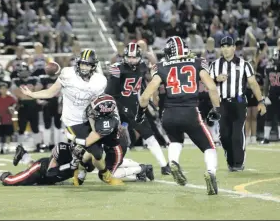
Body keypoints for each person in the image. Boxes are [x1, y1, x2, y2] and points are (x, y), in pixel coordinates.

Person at [20, 49, 121, 185]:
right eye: (82, 64)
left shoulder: (100, 80)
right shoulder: (68, 74)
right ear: (78, 63)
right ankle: (103, 174)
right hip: (73, 120)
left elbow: (100, 103)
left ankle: (80, 167)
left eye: (87, 65)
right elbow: (50, 92)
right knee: (96, 153)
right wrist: (33, 95)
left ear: (93, 66)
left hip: (90, 118)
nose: (84, 67)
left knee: (97, 152)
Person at [136, 36, 221, 195]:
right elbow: (212, 87)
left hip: (168, 114)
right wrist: (216, 109)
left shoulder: (160, 66)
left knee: (175, 140)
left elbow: (146, 96)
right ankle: (210, 172)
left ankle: (173, 162)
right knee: (209, 147)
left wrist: (141, 113)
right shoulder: (197, 63)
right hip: (190, 111)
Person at [105, 43, 170, 175]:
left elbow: (152, 75)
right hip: (117, 108)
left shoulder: (143, 66)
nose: (132, 60)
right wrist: (122, 109)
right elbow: (110, 94)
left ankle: (164, 165)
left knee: (148, 135)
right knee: (119, 140)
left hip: (134, 107)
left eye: (134, 58)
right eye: (129, 57)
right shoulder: (118, 69)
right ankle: (115, 164)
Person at [68, 94, 154, 184]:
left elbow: (88, 142)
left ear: (105, 112)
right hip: (109, 142)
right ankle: (82, 174)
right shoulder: (106, 115)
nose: (91, 111)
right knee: (90, 155)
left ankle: (142, 169)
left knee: (105, 176)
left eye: (95, 110)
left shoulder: (107, 123)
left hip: (116, 148)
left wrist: (73, 137)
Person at [209, 36, 266, 171]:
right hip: (222, 103)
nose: (225, 49)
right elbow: (208, 84)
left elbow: (253, 83)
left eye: (228, 46)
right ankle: (231, 160)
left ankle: (239, 163)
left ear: (234, 48)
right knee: (224, 135)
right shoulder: (215, 65)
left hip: (238, 102)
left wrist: (261, 101)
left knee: (236, 135)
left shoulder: (244, 64)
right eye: (223, 46)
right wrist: (216, 79)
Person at [0, 142, 87, 187]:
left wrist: (79, 172)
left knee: (32, 176)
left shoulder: (87, 160)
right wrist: (69, 166)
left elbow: (78, 182)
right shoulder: (63, 150)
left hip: (51, 179)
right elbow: (49, 172)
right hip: (41, 169)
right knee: (11, 181)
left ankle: (23, 154)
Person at [11, 62, 43, 150]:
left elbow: (38, 88)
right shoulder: (16, 80)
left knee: (35, 127)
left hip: (33, 106)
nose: (23, 73)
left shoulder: (34, 79)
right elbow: (16, 92)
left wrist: (27, 94)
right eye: (21, 71)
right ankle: (19, 146)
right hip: (23, 106)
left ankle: (37, 145)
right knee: (21, 127)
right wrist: (30, 94)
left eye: (24, 71)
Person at [39, 69, 62, 150]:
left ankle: (57, 144)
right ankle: (47, 144)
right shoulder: (43, 79)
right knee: (47, 125)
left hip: (57, 103)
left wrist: (62, 104)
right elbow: (39, 90)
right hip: (47, 104)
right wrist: (40, 100)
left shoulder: (61, 79)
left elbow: (64, 92)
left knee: (57, 125)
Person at [0, 81, 16, 154]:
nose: (3, 90)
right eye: (2, 89)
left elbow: (14, 105)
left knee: (8, 135)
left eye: (5, 89)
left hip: (8, 119)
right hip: (0, 119)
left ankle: (7, 148)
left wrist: (12, 108)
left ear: (7, 89)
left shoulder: (11, 98)